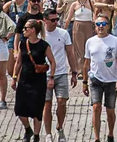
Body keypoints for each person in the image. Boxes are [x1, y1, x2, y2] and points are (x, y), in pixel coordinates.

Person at [84, 13, 117, 142]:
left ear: (108, 26)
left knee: (110, 111)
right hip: (95, 79)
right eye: (98, 24)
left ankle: (110, 134)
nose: (101, 27)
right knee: (96, 107)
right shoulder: (90, 41)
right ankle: (97, 138)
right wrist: (84, 82)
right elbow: (86, 63)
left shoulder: (115, 41)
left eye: (103, 24)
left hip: (111, 80)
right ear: (95, 26)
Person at [13, 18, 56, 142]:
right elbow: (19, 62)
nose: (23, 30)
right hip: (24, 79)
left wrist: (51, 78)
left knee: (37, 109)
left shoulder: (43, 45)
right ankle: (28, 129)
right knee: (19, 109)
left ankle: (36, 135)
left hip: (38, 80)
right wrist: (14, 77)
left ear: (32, 30)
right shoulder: (22, 44)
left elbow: (52, 62)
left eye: (26, 28)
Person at [42, 8, 75, 142]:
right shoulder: (40, 35)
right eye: (53, 20)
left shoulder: (63, 33)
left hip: (61, 72)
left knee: (62, 102)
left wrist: (74, 72)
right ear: (45, 20)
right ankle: (48, 133)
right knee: (47, 104)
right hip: (44, 74)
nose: (56, 22)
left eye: (57, 19)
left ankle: (60, 128)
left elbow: (70, 53)